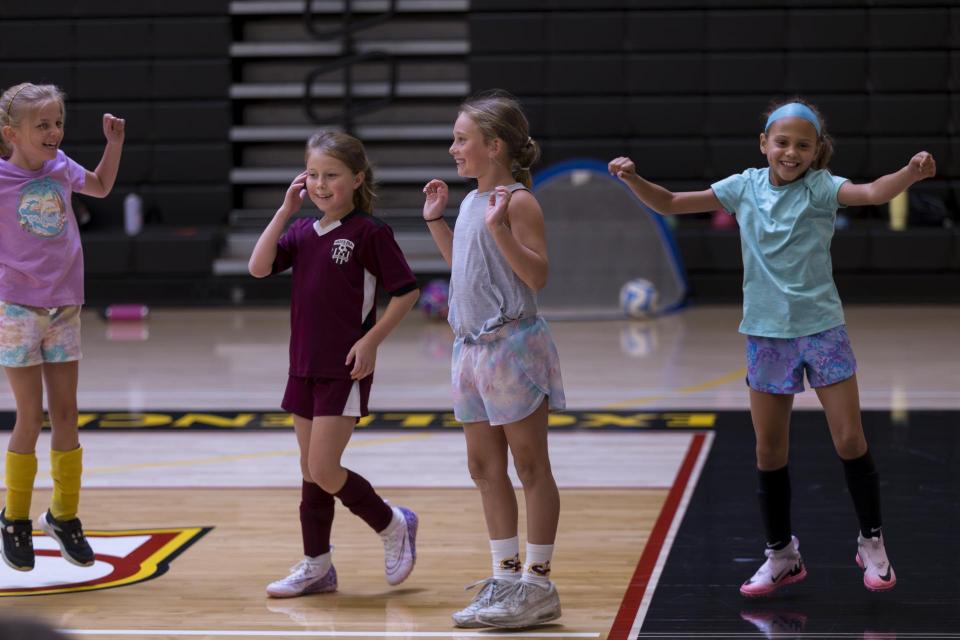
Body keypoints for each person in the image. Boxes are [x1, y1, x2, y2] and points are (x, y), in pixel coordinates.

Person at [609, 98, 936, 597]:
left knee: (849, 439)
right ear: (764, 143)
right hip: (766, 335)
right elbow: (673, 203)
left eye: (802, 145)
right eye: (782, 142)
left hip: (822, 329)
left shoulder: (822, 189)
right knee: (769, 449)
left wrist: (910, 173)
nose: (791, 151)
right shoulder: (743, 187)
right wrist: (634, 180)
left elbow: (871, 191)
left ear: (816, 150)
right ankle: (781, 554)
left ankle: (872, 542)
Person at [248, 131, 420, 598]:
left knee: (324, 468)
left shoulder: (370, 233)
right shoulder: (303, 232)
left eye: (333, 176)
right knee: (310, 471)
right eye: (315, 176)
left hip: (344, 366)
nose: (322, 185)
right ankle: (317, 566)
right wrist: (285, 209)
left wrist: (371, 341)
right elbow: (258, 267)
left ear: (357, 178)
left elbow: (407, 292)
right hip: (301, 366)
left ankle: (392, 524)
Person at [422, 90, 565, 628]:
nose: (454, 148)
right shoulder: (469, 203)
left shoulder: (519, 201)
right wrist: (437, 221)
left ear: (495, 145)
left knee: (530, 466)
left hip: (513, 350)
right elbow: (467, 270)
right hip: (470, 351)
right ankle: (504, 578)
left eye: (462, 139)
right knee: (484, 468)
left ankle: (539, 583)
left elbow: (536, 276)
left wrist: (502, 227)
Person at [0, 82, 124, 571]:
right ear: (11, 133)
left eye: (57, 123)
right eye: (43, 125)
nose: (54, 132)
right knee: (30, 417)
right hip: (17, 310)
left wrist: (113, 145)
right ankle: (14, 518)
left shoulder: (59, 166)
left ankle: (64, 514)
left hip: (64, 307)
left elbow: (100, 186)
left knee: (68, 416)